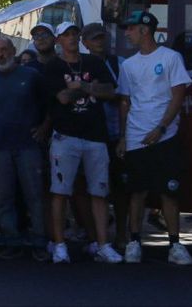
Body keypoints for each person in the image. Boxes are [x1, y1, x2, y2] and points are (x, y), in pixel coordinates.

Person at [116, 11, 192, 265]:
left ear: (144, 30)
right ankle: (134, 242)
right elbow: (125, 102)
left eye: (130, 28)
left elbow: (178, 95)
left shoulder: (171, 58)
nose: (126, 33)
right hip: (136, 137)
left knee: (168, 192)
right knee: (136, 192)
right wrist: (122, 137)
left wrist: (161, 128)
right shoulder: (128, 65)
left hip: (165, 137)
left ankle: (175, 246)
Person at [43, 22, 122, 264]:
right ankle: (59, 245)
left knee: (99, 191)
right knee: (60, 192)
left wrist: (83, 86)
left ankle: (102, 244)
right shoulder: (53, 66)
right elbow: (63, 98)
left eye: (74, 34)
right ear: (58, 41)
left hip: (95, 136)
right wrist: (90, 90)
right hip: (65, 136)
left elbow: (110, 91)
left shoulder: (94, 62)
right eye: (65, 35)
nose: (71, 38)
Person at [0, 36, 50, 260]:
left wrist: (44, 128)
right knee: (4, 196)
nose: (0, 55)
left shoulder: (31, 75)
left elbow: (49, 106)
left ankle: (40, 241)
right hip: (0, 146)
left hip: (29, 145)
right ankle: (11, 240)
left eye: (3, 49)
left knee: (35, 195)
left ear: (13, 50)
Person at [81, 22, 130, 250]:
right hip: (90, 133)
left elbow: (121, 95)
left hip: (115, 132)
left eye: (102, 37)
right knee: (91, 188)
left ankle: (122, 234)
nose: (99, 41)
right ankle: (94, 237)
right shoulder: (80, 65)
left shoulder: (120, 64)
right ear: (85, 43)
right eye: (94, 38)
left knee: (121, 187)